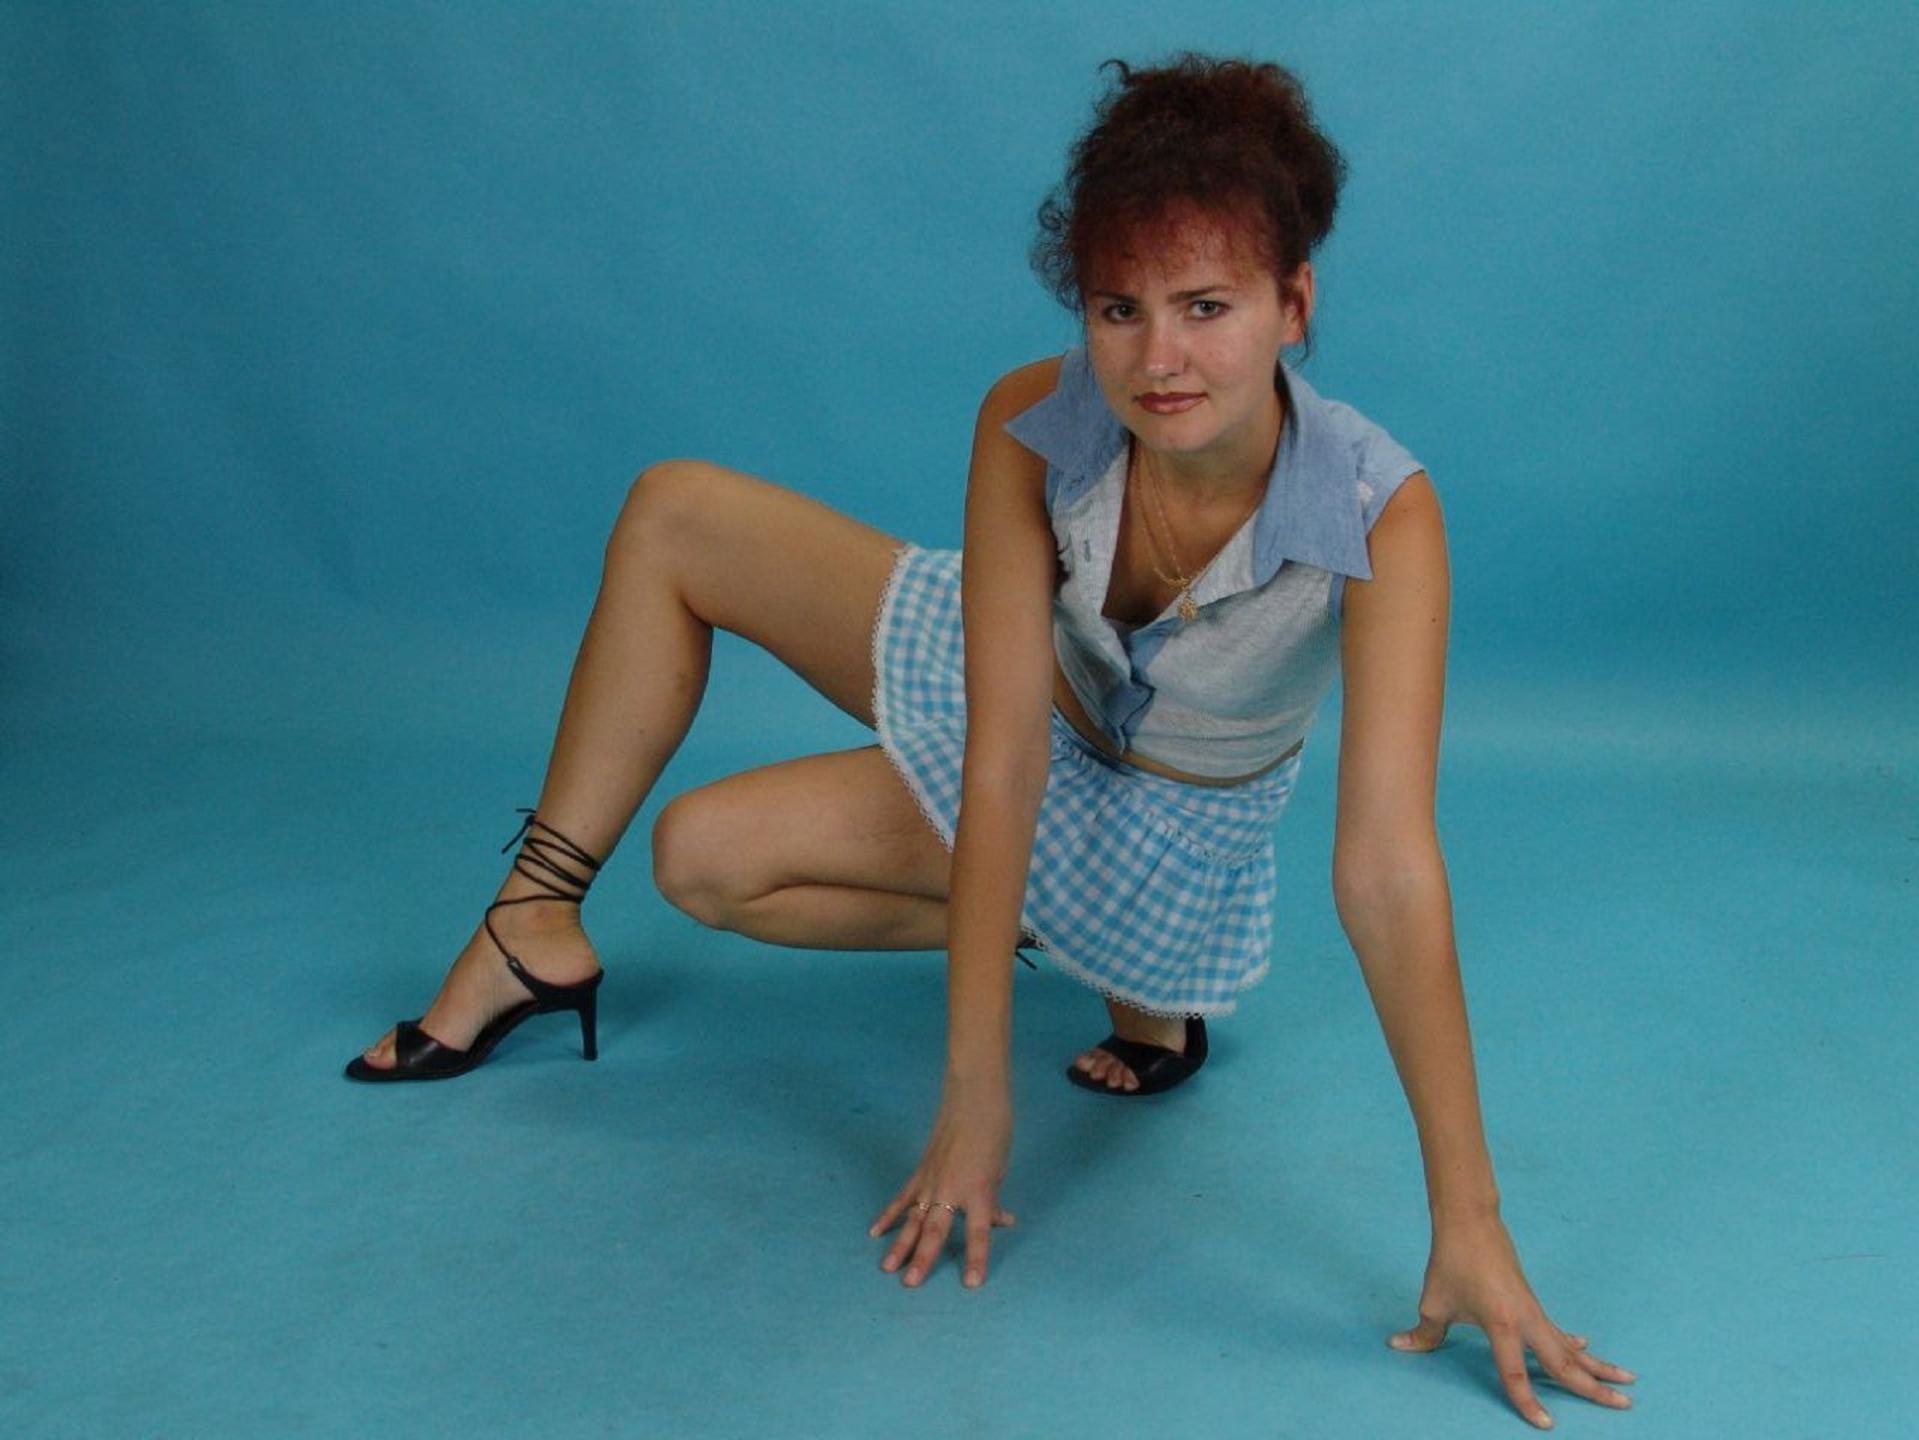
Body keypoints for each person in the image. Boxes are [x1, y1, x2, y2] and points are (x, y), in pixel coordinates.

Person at [346, 52, 1634, 1430]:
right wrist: (975, 1090)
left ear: (1294, 305)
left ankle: (1103, 949)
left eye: (1207, 307)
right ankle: (530, 926)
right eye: (1119, 309)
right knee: (675, 513)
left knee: (709, 856)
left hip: (1159, 819)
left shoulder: (1382, 514)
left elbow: (1384, 868)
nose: (1158, 360)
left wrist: (1469, 1218)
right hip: (1015, 693)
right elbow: (1004, 750)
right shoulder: (1036, 418)